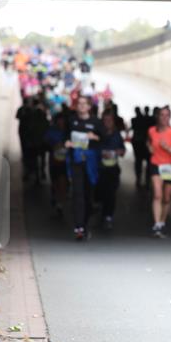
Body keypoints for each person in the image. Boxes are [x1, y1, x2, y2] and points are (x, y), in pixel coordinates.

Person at [65, 95, 106, 241]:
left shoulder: (96, 122)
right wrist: (67, 143)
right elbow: (65, 137)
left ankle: (85, 222)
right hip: (76, 160)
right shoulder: (71, 121)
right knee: (77, 193)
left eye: (84, 104)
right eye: (79, 104)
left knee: (88, 194)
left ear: (89, 107)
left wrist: (94, 137)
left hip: (91, 162)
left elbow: (103, 139)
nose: (81, 106)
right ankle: (79, 226)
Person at [147, 106, 171, 237]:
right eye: (161, 115)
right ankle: (156, 224)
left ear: (170, 117)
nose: (164, 117)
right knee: (157, 194)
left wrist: (168, 148)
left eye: (167, 115)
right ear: (158, 117)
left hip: (169, 167)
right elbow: (149, 142)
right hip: (156, 164)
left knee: (167, 198)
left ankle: (162, 221)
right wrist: (150, 147)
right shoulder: (152, 131)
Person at [97, 110, 126, 230]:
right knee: (101, 192)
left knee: (111, 193)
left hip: (113, 168)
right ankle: (101, 208)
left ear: (113, 122)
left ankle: (108, 216)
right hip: (99, 168)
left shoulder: (117, 134)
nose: (107, 122)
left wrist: (118, 152)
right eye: (105, 120)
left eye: (110, 120)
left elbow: (123, 150)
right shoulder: (97, 134)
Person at [44, 111, 70, 218]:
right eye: (59, 121)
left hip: (65, 162)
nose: (61, 123)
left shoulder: (69, 132)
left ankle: (60, 203)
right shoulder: (51, 131)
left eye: (63, 121)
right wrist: (53, 145)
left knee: (63, 181)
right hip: (54, 161)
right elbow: (44, 141)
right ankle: (55, 195)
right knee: (55, 182)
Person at [130, 106, 152, 188]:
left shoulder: (137, 120)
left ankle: (143, 180)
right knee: (142, 162)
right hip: (139, 143)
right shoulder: (146, 120)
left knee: (140, 162)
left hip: (140, 143)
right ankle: (144, 180)